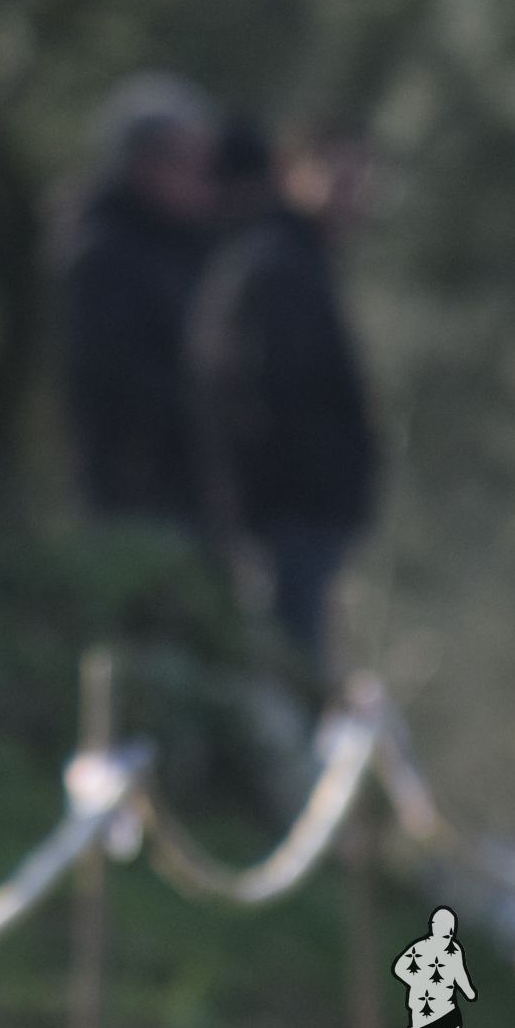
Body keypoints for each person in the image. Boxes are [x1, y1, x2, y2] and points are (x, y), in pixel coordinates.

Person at [188, 119, 380, 672]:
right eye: (338, 178)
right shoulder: (276, 263)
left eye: (360, 182)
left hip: (301, 512)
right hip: (290, 513)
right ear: (295, 171)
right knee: (291, 668)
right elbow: (263, 394)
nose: (350, 197)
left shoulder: (293, 259)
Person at [56, 73, 217, 531]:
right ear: (143, 163)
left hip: (183, 487)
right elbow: (115, 374)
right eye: (188, 165)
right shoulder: (104, 252)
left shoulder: (181, 248)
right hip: (134, 489)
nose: (203, 182)